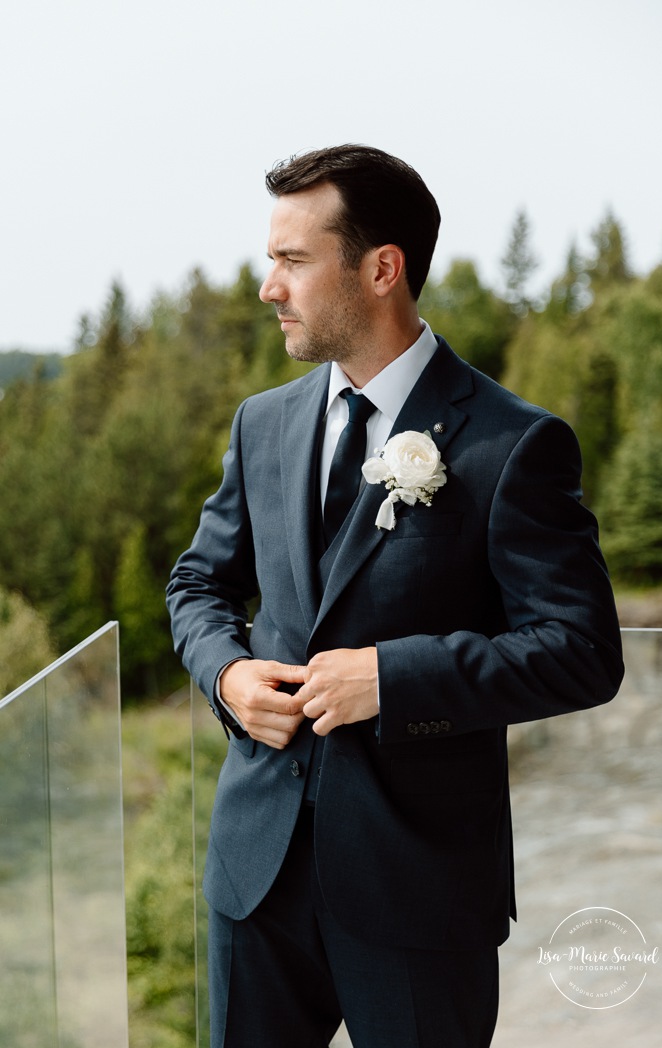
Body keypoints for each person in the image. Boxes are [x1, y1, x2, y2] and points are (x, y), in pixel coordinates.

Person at [166, 144, 624, 1048]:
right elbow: (199, 584)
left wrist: (394, 679)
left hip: (418, 889)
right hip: (253, 872)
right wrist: (226, 676)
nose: (269, 287)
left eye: (293, 261)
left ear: (381, 269)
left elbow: (581, 651)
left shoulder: (513, 445)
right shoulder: (262, 422)